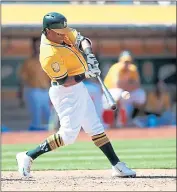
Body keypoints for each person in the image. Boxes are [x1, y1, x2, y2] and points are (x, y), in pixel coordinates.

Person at [16, 12, 136, 178]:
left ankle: (117, 165)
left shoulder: (60, 32)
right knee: (68, 136)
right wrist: (87, 75)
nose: (64, 33)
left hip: (78, 88)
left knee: (95, 127)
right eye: (59, 32)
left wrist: (89, 54)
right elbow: (65, 80)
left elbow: (82, 39)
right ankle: (28, 155)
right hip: (65, 92)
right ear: (48, 31)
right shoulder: (49, 54)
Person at [104, 51, 146, 126]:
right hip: (109, 94)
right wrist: (130, 84)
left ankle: (133, 119)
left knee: (140, 94)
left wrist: (124, 84)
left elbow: (137, 85)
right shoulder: (116, 68)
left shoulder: (133, 69)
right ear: (120, 61)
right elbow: (116, 85)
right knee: (119, 93)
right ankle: (115, 121)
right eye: (124, 61)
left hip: (126, 92)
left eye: (128, 61)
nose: (126, 64)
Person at [19, 38, 51, 131]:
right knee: (36, 118)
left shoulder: (48, 61)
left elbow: (53, 79)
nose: (38, 47)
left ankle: (50, 141)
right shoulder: (28, 62)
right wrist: (21, 96)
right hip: (34, 91)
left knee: (50, 118)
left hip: (46, 92)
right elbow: (23, 80)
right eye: (36, 45)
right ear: (33, 47)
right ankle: (34, 138)